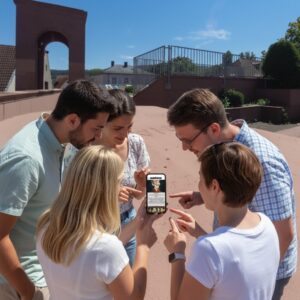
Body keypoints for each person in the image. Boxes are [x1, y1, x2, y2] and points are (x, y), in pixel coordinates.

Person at [167, 88, 297, 300]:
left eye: (188, 140)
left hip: (261, 275)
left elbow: (283, 234)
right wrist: (202, 196)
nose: (184, 148)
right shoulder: (227, 153)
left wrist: (251, 281)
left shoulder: (263, 161)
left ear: (214, 129)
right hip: (231, 264)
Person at [0, 80, 116, 300]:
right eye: (97, 128)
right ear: (73, 120)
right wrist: (26, 290)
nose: (99, 136)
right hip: (17, 283)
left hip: (43, 273)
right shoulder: (26, 159)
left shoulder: (55, 142)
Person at [36, 145, 157, 300]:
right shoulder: (105, 248)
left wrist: (140, 219)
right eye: (118, 182)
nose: (120, 188)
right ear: (105, 188)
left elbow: (92, 251)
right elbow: (133, 297)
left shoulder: (47, 223)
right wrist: (143, 247)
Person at [164, 142, 280, 300]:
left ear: (214, 186)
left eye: (200, 178)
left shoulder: (207, 249)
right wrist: (199, 232)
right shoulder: (266, 225)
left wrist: (177, 253)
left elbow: (219, 254)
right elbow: (231, 258)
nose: (198, 185)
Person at [63, 89, 150, 266]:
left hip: (127, 221)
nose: (125, 134)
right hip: (93, 227)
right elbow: (70, 199)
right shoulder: (82, 149)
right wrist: (109, 196)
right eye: (118, 128)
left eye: (130, 127)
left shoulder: (136, 143)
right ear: (102, 123)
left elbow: (139, 195)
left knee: (127, 286)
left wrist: (142, 186)